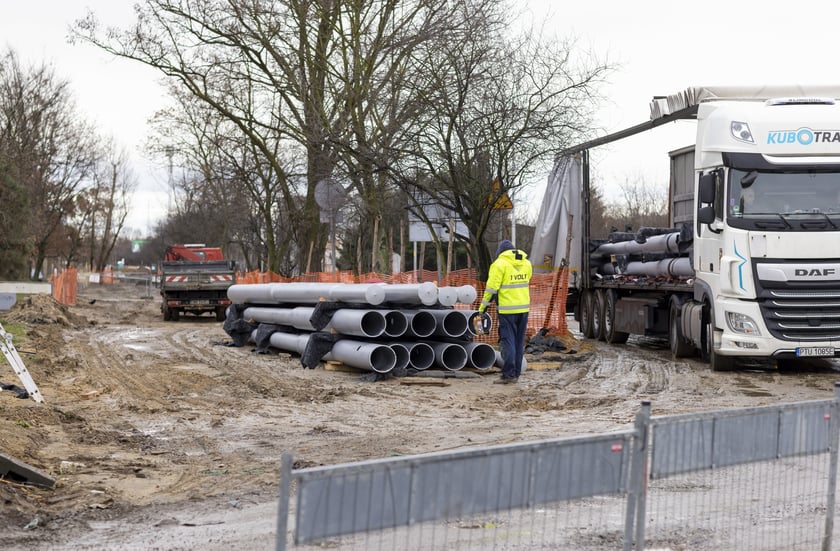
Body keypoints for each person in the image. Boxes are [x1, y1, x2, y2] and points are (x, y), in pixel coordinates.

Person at [479, 240, 533, 384]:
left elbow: (491, 289)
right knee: (519, 342)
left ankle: (508, 375)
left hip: (507, 310)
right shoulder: (526, 263)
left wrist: (482, 308)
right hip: (524, 308)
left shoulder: (499, 264)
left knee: (508, 341)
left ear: (500, 252)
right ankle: (516, 373)